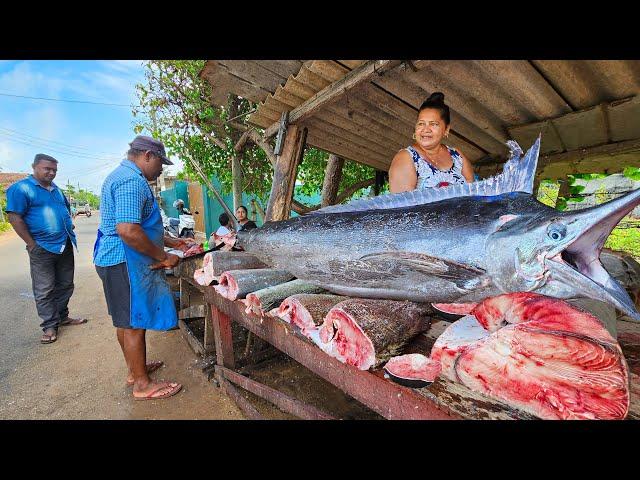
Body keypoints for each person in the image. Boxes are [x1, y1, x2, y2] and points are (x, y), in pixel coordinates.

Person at [93, 135, 187, 401]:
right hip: (124, 261)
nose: (161, 170)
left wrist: (171, 239)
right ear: (148, 155)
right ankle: (142, 385)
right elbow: (128, 230)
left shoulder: (124, 176)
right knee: (134, 324)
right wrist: (164, 255)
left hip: (114, 261)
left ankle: (136, 372)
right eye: (160, 163)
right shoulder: (131, 181)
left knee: (125, 321)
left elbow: (139, 224)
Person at [6, 153, 87, 344]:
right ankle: (50, 325)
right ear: (34, 167)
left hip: (64, 243)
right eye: (47, 169)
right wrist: (31, 244)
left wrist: (67, 223)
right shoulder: (22, 188)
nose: (51, 173)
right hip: (41, 247)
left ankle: (62, 316)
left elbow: (66, 210)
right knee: (45, 289)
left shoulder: (56, 189)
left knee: (66, 284)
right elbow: (14, 217)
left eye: (54, 170)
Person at [389, 92, 474, 193]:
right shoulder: (406, 158)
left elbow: (472, 192)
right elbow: (403, 205)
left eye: (433, 124)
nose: (426, 129)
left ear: (446, 129)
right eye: (421, 124)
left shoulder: (457, 156)